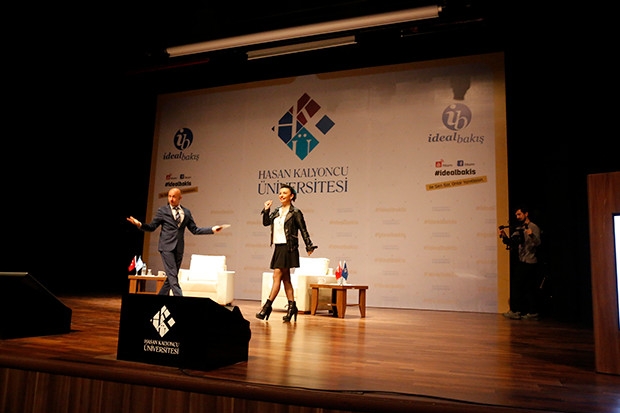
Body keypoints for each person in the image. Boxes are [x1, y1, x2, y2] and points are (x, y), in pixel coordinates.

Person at [126, 187, 224, 296]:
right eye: (169, 196)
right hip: (166, 247)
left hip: (179, 248)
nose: (171, 199)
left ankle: (158, 301)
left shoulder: (186, 212)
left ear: (180, 198)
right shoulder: (162, 211)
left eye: (174, 197)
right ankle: (180, 299)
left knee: (171, 277)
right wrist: (139, 224)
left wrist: (212, 229)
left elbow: (195, 230)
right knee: (173, 275)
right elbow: (152, 227)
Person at [257, 184, 318, 322]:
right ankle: (292, 307)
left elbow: (303, 229)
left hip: (289, 248)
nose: (281, 195)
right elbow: (266, 223)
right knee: (286, 279)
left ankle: (267, 307)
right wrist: (266, 210)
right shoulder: (277, 211)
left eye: (285, 193)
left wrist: (309, 245)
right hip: (278, 247)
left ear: (292, 196)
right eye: (280, 193)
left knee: (276, 276)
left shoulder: (295, 212)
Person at [498, 206, 543, 320]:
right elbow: (512, 243)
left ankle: (519, 311)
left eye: (519, 214)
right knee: (524, 287)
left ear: (526, 214)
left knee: (523, 287)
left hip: (530, 261)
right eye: (516, 215)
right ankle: (528, 312)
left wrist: (531, 235)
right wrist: (504, 236)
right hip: (522, 261)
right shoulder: (519, 228)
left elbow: (538, 243)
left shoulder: (533, 227)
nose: (517, 217)